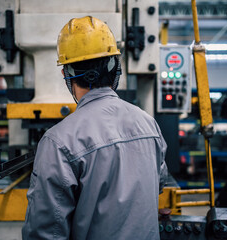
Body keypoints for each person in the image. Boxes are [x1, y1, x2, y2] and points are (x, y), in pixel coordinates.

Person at [22, 16, 168, 240]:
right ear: (115, 67)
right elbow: (158, 183)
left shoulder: (58, 141)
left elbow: (46, 231)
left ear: (66, 74)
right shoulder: (148, 124)